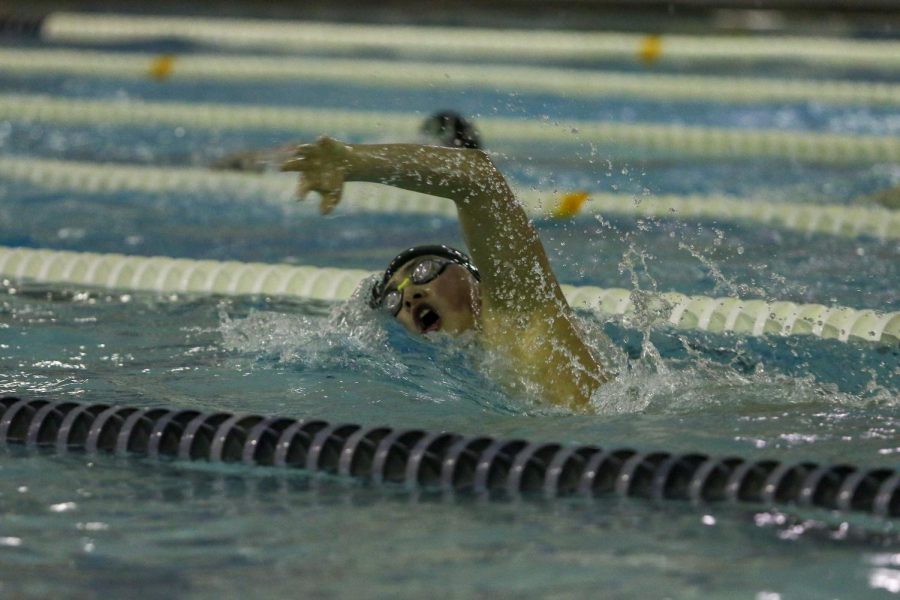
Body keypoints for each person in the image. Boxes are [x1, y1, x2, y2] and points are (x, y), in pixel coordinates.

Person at [281, 137, 611, 411]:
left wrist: (355, 161)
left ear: (474, 277)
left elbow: (478, 178)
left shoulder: (518, 315)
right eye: (394, 298)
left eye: (423, 271)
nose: (409, 295)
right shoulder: (463, 380)